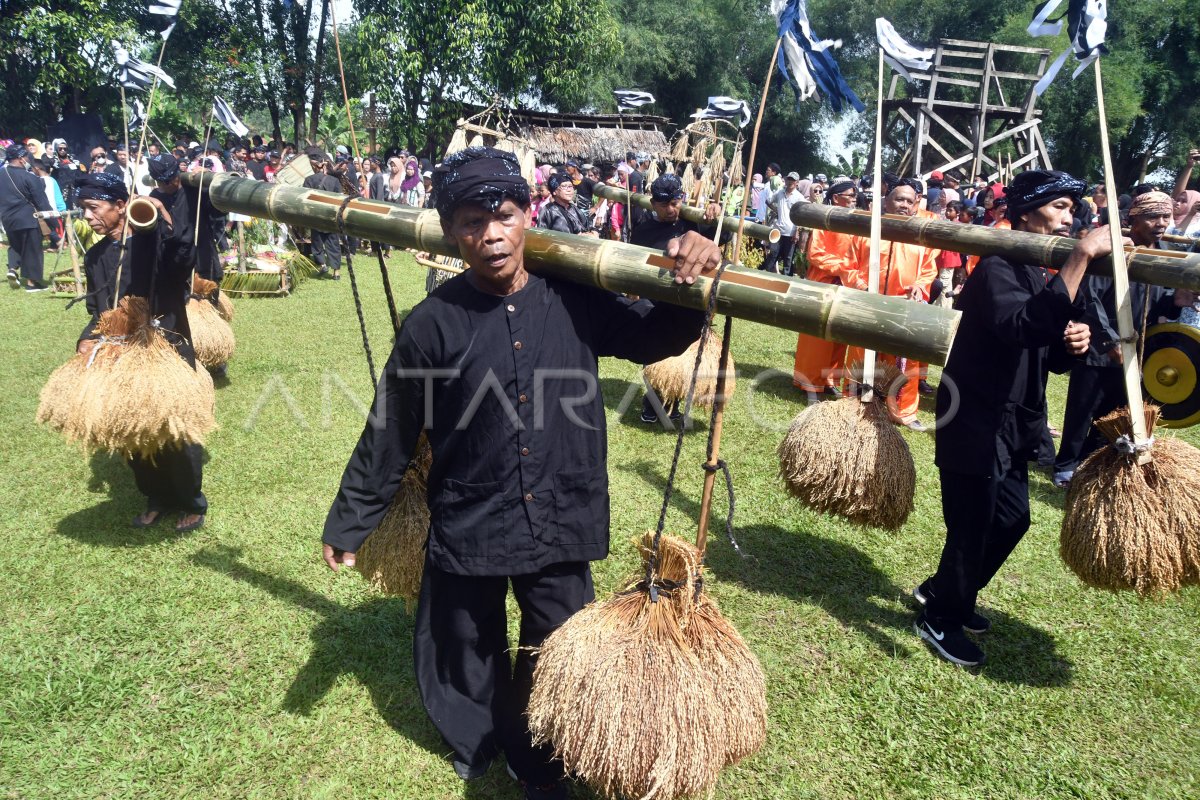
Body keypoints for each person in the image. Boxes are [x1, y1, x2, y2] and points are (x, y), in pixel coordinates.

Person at [319, 147, 718, 800]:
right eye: (472, 223)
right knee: (462, 635)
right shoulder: (432, 324)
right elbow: (392, 427)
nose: (491, 235)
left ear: (527, 214)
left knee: (557, 642)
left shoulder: (576, 297)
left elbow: (653, 340)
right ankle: (476, 738)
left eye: (503, 215)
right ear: (452, 234)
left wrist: (692, 285)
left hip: (561, 503)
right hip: (472, 507)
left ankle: (544, 753)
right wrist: (352, 520)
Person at [915, 170, 1101, 667]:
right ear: (1026, 212)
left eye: (1072, 208)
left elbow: (1050, 350)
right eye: (1061, 206)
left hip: (1017, 419)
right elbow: (1020, 326)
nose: (1071, 216)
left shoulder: (1044, 271)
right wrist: (1082, 255)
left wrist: (1072, 343)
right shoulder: (997, 265)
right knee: (971, 525)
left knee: (1013, 518)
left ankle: (942, 590)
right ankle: (941, 617)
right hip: (975, 414)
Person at [75, 172, 207, 533]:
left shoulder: (152, 245)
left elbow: (182, 261)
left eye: (93, 208)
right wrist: (86, 339)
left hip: (164, 348)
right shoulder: (97, 256)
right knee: (132, 432)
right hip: (120, 356)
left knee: (174, 432)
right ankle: (156, 498)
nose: (87, 217)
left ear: (121, 207)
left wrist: (165, 222)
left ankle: (191, 502)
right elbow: (97, 310)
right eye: (83, 209)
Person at [1051, 190, 1183, 487]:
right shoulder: (1112, 252)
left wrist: (1177, 301)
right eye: (1152, 216)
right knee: (1082, 410)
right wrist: (1111, 342)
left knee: (1116, 412)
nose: (1160, 222)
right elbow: (1090, 298)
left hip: (1138, 351)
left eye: (1165, 216)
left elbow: (1160, 306)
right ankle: (1066, 465)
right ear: (1132, 220)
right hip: (1099, 347)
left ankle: (1094, 462)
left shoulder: (1165, 255)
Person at [840, 183, 936, 429]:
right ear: (886, 202)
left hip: (904, 309)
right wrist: (861, 285)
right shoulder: (867, 231)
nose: (903, 205)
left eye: (908, 201)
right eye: (898, 200)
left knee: (906, 361)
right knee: (862, 355)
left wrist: (920, 285)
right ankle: (853, 404)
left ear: (915, 205)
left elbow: (928, 271)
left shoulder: (921, 236)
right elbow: (848, 265)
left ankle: (904, 411)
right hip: (869, 306)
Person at [629, 174, 723, 424]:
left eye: (676, 202)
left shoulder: (692, 224)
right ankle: (651, 406)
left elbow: (717, 239)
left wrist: (716, 212)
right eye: (664, 205)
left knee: (681, 353)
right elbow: (636, 264)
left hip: (685, 301)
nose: (671, 210)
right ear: (653, 203)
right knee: (655, 355)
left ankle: (673, 404)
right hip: (654, 300)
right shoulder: (643, 231)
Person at [792, 180, 857, 399]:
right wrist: (841, 268)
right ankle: (809, 382)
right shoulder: (824, 221)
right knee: (816, 338)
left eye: (855, 194)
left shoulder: (855, 222)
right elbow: (815, 254)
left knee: (839, 336)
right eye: (849, 194)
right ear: (836, 196)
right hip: (823, 284)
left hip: (846, 285)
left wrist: (851, 273)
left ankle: (830, 380)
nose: (854, 198)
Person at [1, 143, 52, 291]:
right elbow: (42, 202)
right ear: (20, 158)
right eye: (26, 157)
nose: (27, 160)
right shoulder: (29, 177)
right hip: (28, 218)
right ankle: (32, 283)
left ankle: (12, 269)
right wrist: (54, 223)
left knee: (16, 245)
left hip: (7, 219)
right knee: (32, 248)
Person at [302, 149, 343, 279]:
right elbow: (340, 200)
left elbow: (305, 200)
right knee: (333, 244)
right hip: (331, 217)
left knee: (317, 243)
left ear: (315, 165)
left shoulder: (308, 180)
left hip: (315, 217)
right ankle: (336, 272)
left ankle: (322, 265)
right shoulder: (334, 181)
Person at [761, 172, 805, 276]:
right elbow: (768, 201)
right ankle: (767, 277)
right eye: (789, 179)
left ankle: (786, 281)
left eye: (793, 180)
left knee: (788, 259)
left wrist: (797, 231)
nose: (790, 182)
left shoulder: (799, 197)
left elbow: (801, 216)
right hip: (778, 231)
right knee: (773, 254)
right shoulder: (779, 192)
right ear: (785, 180)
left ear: (797, 183)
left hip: (791, 232)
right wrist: (777, 210)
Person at [49, 138, 85, 209]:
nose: (63, 150)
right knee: (65, 207)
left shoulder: (72, 157)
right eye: (60, 148)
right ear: (57, 148)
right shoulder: (53, 160)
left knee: (76, 207)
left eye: (64, 149)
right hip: (61, 188)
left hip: (73, 188)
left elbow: (79, 171)